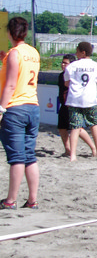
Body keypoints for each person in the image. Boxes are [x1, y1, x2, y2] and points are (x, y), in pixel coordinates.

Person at [0, 16, 41, 209]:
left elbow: (10, 85)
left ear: (10, 32)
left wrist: (1, 109)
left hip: (15, 108)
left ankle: (10, 200)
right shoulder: (33, 52)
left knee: (16, 157)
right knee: (29, 155)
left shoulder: (14, 53)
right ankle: (32, 200)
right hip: (33, 106)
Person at [65, 41, 97, 161]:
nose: (75, 53)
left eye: (77, 51)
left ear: (83, 52)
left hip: (74, 99)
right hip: (90, 99)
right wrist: (92, 92)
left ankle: (73, 155)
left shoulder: (72, 66)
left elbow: (67, 83)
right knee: (94, 125)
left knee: (75, 127)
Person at [57, 54, 96, 158]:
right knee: (62, 128)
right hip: (63, 105)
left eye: (65, 63)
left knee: (78, 128)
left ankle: (93, 148)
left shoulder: (74, 76)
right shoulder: (61, 76)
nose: (63, 64)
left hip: (72, 105)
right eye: (62, 62)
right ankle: (67, 150)